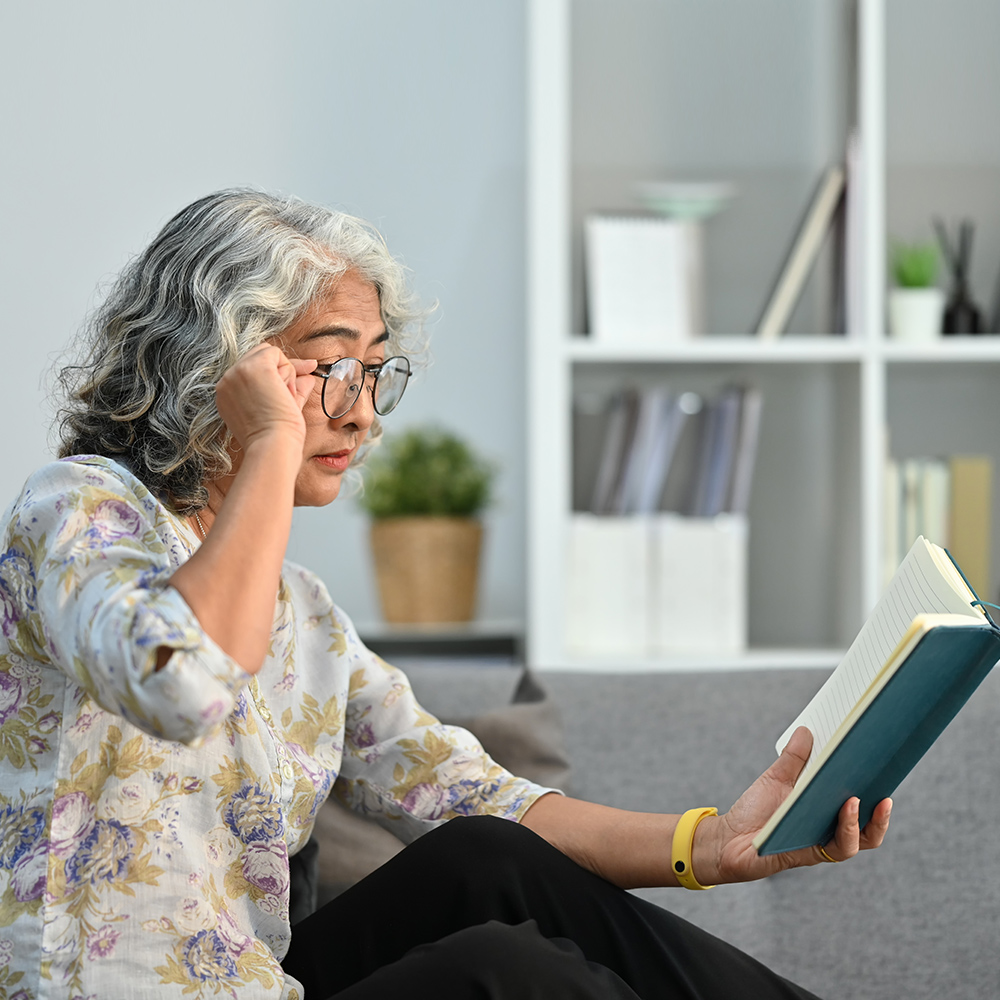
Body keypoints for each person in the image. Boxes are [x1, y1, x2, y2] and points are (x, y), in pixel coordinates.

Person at [0, 188, 891, 1000]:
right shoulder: (76, 510)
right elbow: (182, 680)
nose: (363, 413)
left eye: (375, 371)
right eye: (331, 368)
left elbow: (476, 795)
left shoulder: (303, 613)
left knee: (486, 855)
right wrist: (272, 437)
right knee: (505, 974)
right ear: (221, 366)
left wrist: (716, 845)